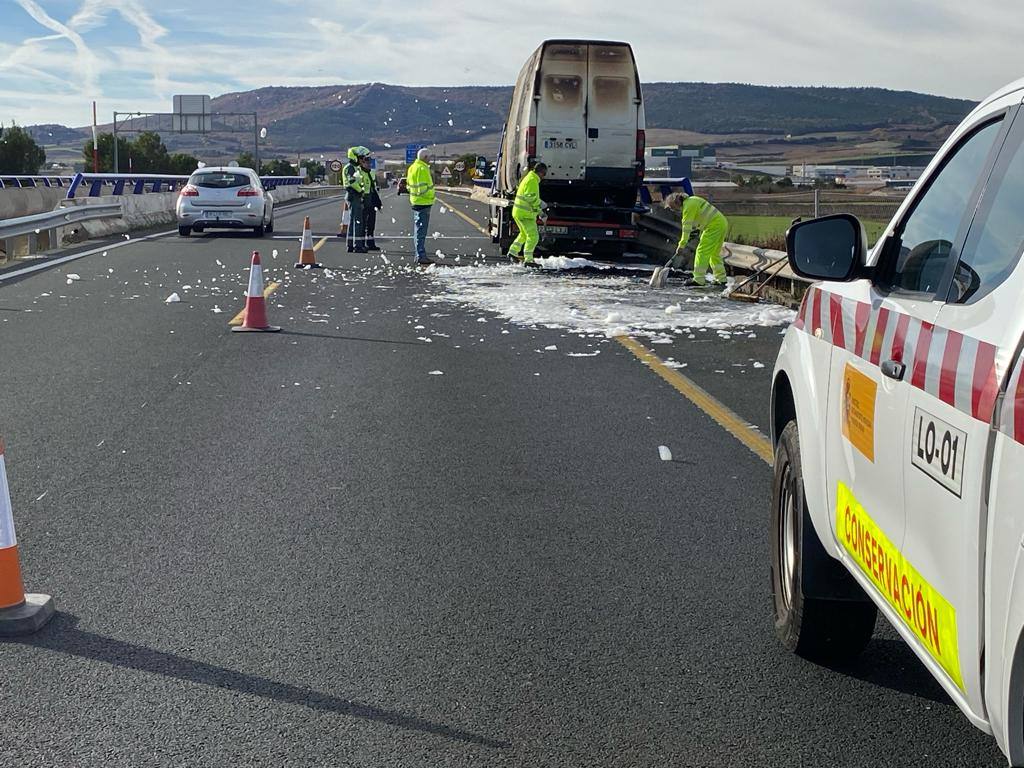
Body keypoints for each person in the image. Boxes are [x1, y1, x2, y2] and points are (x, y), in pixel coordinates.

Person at [663, 191, 728, 286]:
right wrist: (694, 231)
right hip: (721, 223)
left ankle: (698, 279)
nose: (674, 211)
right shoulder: (692, 200)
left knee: (702, 251)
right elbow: (698, 219)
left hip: (713, 226)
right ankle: (721, 278)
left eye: (673, 208)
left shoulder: (688, 208)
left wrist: (681, 245)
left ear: (676, 203)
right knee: (714, 253)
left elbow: (686, 228)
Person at [506, 161, 547, 265]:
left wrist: (540, 211)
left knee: (524, 234)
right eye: (544, 174)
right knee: (533, 236)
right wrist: (541, 206)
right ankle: (528, 260)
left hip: (519, 212)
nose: (544, 177)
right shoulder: (532, 180)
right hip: (525, 214)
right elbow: (531, 198)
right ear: (541, 173)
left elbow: (529, 198)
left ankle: (512, 252)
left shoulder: (529, 178)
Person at [405, 147, 435, 265]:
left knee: (418, 230)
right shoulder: (422, 169)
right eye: (429, 157)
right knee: (421, 231)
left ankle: (419, 254)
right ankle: (420, 255)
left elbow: (408, 185)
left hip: (416, 201)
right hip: (423, 202)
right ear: (425, 157)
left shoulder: (412, 167)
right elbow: (423, 189)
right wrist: (431, 195)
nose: (430, 160)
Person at [343, 146, 371, 253]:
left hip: (354, 195)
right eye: (361, 158)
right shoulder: (350, 168)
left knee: (353, 221)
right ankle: (357, 246)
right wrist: (361, 191)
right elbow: (352, 182)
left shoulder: (355, 168)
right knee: (358, 221)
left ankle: (351, 245)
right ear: (355, 157)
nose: (363, 160)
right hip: (353, 195)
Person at [360, 154, 382, 251]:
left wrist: (377, 202)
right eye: (366, 162)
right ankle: (362, 244)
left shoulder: (371, 173)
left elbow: (373, 188)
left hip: (371, 201)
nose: (368, 164)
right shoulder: (360, 173)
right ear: (362, 163)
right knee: (363, 225)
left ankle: (370, 243)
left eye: (369, 162)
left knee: (371, 225)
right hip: (364, 201)